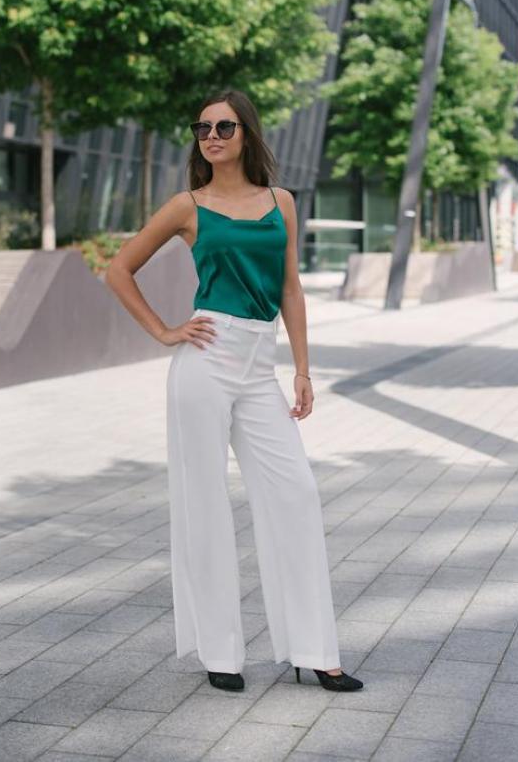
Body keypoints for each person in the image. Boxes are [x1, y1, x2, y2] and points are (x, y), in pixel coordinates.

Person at [106, 89, 363, 694]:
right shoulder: (186, 206)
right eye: (202, 128)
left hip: (259, 365)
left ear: (247, 132)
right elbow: (120, 269)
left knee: (295, 494)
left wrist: (301, 368)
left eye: (224, 126)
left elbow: (291, 287)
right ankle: (221, 652)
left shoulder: (281, 202)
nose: (211, 136)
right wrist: (165, 331)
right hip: (206, 356)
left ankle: (316, 650)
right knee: (204, 502)